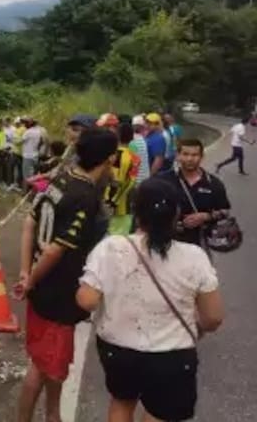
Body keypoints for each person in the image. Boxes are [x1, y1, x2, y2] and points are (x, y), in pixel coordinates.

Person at [76, 177, 224, 422]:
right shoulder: (194, 257)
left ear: (135, 210)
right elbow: (213, 318)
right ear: (176, 213)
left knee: (122, 403)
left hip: (117, 349)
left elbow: (86, 301)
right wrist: (197, 328)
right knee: (160, 414)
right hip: (171, 354)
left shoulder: (110, 248)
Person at [15, 127, 118, 422]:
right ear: (109, 158)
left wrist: (26, 274)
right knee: (45, 367)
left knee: (45, 364)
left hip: (40, 288)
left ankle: (52, 416)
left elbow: (28, 223)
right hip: (58, 297)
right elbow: (54, 251)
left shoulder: (60, 178)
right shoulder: (84, 195)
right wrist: (31, 279)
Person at [159, 139, 231, 250]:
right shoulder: (162, 181)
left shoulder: (213, 184)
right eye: (185, 154)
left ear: (202, 157)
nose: (190, 159)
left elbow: (225, 211)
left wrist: (206, 216)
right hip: (166, 245)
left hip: (200, 245)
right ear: (178, 156)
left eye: (194, 155)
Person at [106, 122, 140, 235]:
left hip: (105, 203)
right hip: (124, 205)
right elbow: (130, 182)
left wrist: (109, 201)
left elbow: (112, 179)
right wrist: (115, 201)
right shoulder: (134, 158)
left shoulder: (110, 155)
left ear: (117, 135)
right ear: (132, 138)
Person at [129, 115, 151, 185]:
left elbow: (133, 162)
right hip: (145, 178)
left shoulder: (132, 141)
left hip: (137, 180)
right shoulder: (143, 140)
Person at [21, 117, 43, 186]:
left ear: (29, 124)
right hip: (35, 155)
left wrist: (13, 140)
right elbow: (41, 142)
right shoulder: (38, 131)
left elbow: (20, 141)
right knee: (34, 175)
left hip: (27, 156)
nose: (24, 125)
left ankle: (25, 192)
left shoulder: (28, 132)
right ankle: (33, 190)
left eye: (25, 123)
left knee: (26, 176)